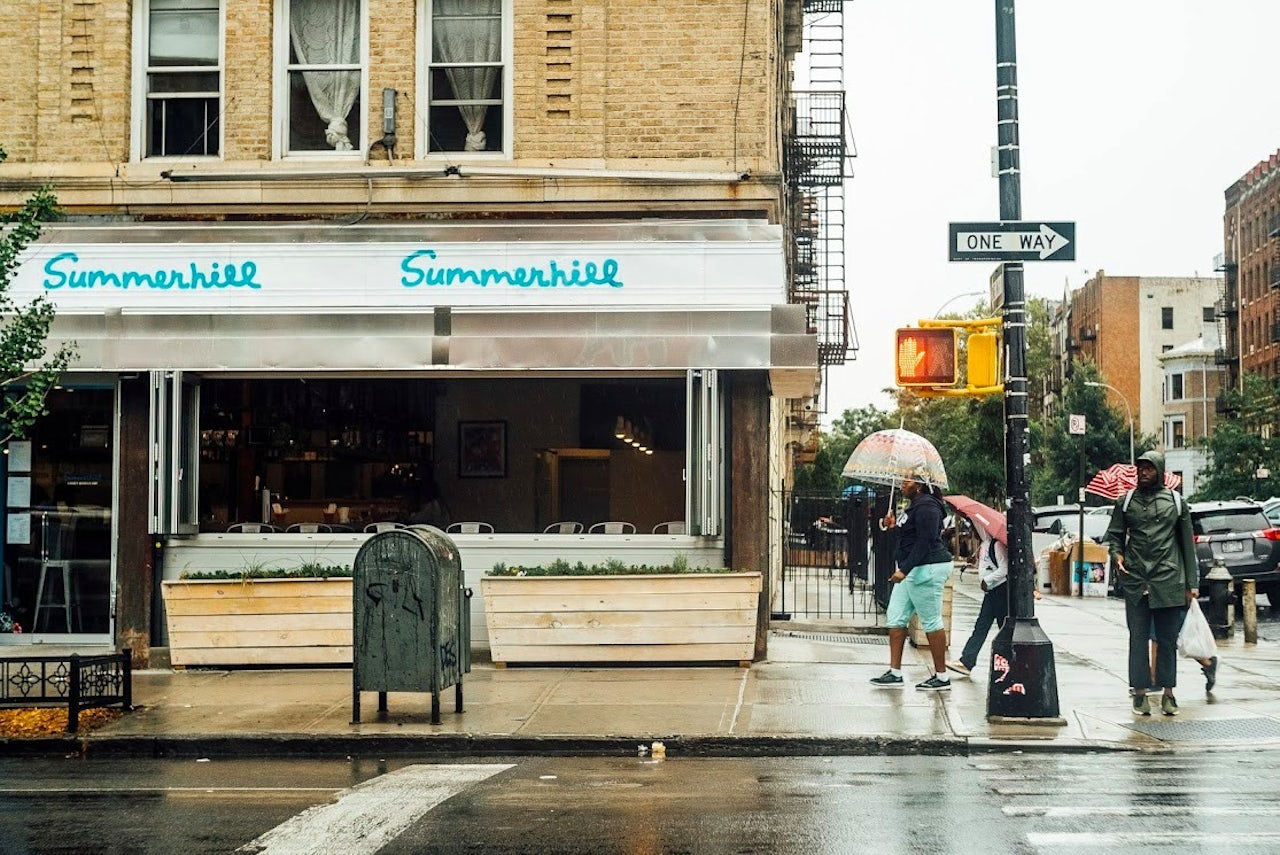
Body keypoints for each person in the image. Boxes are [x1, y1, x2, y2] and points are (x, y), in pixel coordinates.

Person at [1105, 450, 1198, 717]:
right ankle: (1140, 694)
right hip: (1136, 580)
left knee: (1167, 641)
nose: (1143, 472)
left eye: (1148, 468)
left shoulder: (1176, 503)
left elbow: (1187, 547)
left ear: (1159, 470)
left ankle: (1168, 694)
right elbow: (1114, 536)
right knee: (1137, 640)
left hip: (1168, 579)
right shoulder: (1125, 502)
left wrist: (1192, 583)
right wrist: (1117, 554)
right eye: (1140, 468)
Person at [870, 474, 954, 691]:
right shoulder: (915, 506)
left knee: (931, 621)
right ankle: (895, 672)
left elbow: (925, 541)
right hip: (912, 569)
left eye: (906, 482)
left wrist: (904, 570)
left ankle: (942, 677)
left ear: (919, 486)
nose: (901, 485)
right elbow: (907, 536)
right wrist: (890, 526)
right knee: (896, 618)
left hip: (927, 568)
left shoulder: (928, 507)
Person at [947, 526, 1009, 677]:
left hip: (999, 591)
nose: (972, 533)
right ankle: (968, 661)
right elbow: (989, 566)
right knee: (986, 627)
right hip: (992, 591)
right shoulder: (985, 545)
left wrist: (986, 580)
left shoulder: (997, 545)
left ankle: (969, 660)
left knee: (998, 628)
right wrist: (975, 563)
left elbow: (1004, 569)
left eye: (975, 529)